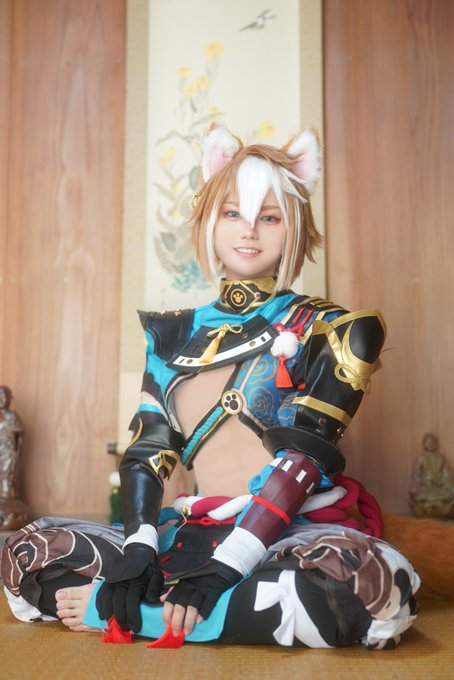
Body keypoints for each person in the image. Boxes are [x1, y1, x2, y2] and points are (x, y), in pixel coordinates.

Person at [1, 125, 419, 649]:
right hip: (190, 531)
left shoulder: (335, 329)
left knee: (369, 588)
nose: (250, 231)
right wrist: (138, 547)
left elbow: (304, 458)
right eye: (233, 213)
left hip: (281, 535)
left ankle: (134, 616)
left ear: (295, 226)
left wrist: (231, 563)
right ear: (209, 221)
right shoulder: (171, 333)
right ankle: (179, 605)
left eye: (269, 217)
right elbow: (149, 450)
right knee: (28, 552)